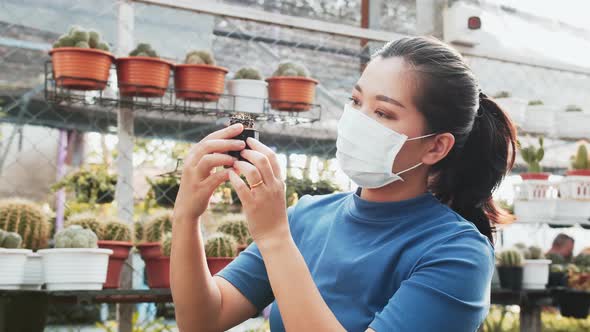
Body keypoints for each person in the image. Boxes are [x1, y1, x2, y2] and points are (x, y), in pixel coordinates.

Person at [170, 36, 517, 331]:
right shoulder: (306, 218)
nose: (356, 120)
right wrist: (186, 214)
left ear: (436, 146)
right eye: (355, 101)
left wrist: (275, 238)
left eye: (383, 112)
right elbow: (203, 319)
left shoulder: (457, 253)